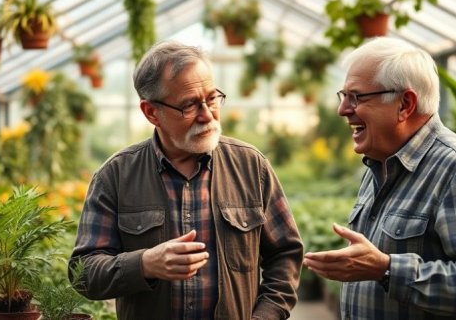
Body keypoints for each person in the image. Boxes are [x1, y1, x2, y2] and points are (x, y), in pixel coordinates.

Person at [69, 41, 304, 319]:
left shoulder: (251, 166)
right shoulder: (116, 176)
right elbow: (82, 272)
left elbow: (285, 254)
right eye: (189, 105)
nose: (207, 115)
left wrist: (265, 316)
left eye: (212, 98)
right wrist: (144, 264)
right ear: (151, 112)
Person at [303, 37, 456, 319]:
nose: (343, 110)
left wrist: (386, 269)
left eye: (356, 97)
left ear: (405, 104)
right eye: (343, 96)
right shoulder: (381, 164)